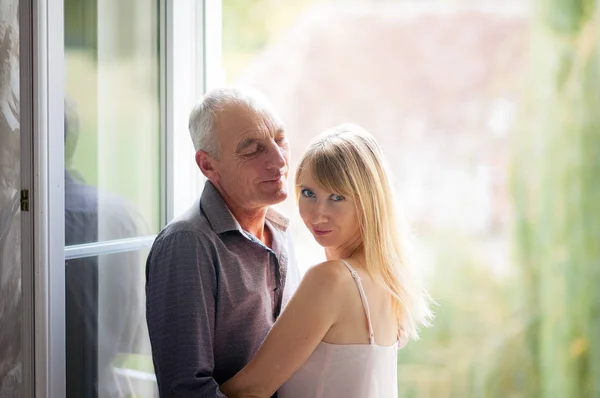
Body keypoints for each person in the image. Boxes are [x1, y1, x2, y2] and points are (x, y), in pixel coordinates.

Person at [220, 123, 433, 398]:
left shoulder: (331, 279)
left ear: (368, 202)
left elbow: (251, 388)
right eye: (309, 193)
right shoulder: (389, 280)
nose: (318, 214)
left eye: (337, 197)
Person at [145, 86, 300, 397]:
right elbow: (186, 390)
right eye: (252, 148)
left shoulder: (280, 227)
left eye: (279, 139)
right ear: (208, 166)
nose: (278, 160)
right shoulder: (187, 244)